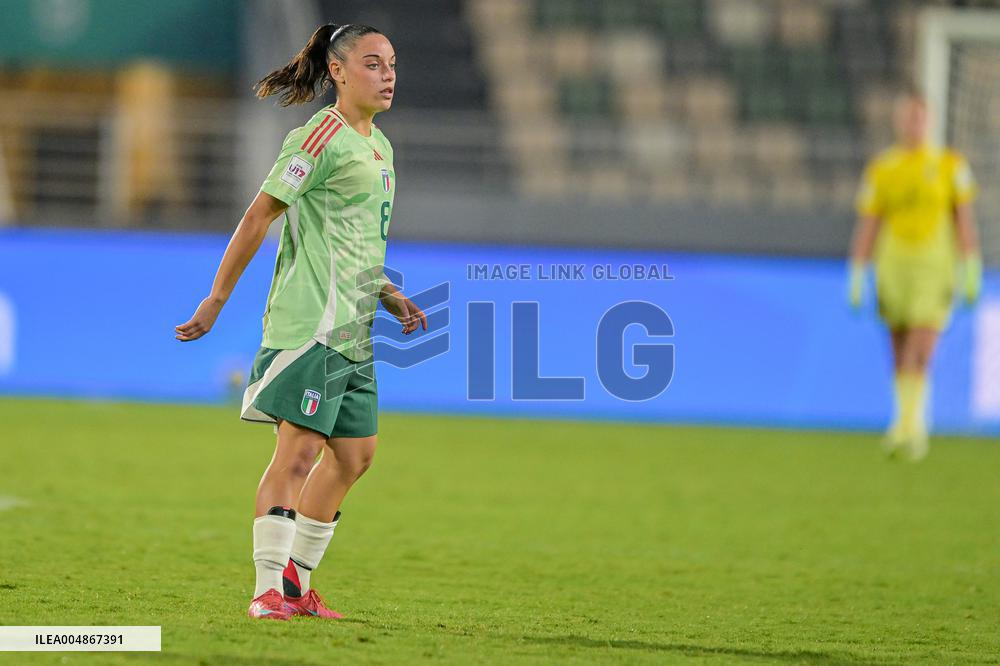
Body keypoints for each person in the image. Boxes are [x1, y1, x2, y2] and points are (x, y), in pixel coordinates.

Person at [175, 23, 426, 620]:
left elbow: (352, 241)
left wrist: (386, 292)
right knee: (298, 454)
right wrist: (216, 298)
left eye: (391, 63)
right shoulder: (320, 136)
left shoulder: (379, 147)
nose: (387, 74)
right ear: (337, 71)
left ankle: (295, 582)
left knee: (356, 457)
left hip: (354, 329)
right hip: (311, 323)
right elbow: (260, 215)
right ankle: (266, 592)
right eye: (372, 63)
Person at [848, 89, 981, 461]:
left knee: (922, 345)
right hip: (894, 267)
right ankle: (903, 422)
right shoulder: (882, 168)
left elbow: (963, 220)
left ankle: (913, 426)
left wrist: (971, 264)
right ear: (898, 121)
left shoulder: (951, 166)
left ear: (930, 121)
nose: (913, 124)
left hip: (935, 268)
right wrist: (857, 271)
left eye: (920, 117)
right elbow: (870, 223)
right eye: (908, 116)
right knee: (898, 347)